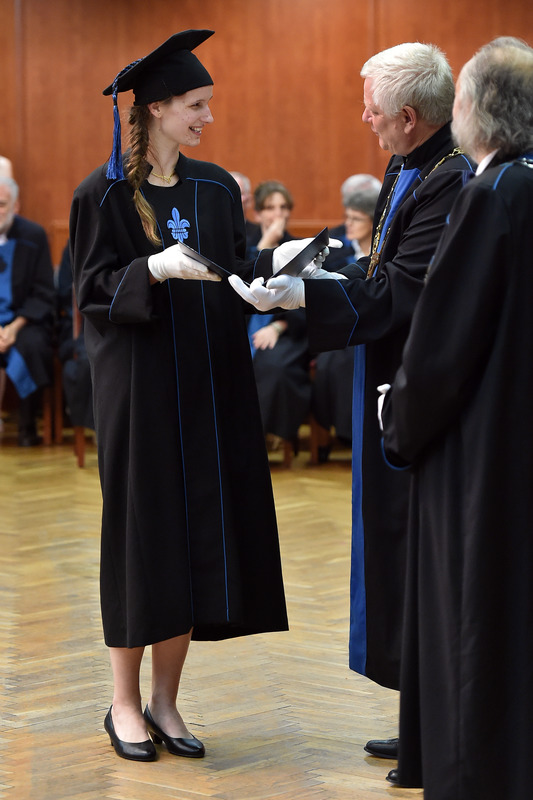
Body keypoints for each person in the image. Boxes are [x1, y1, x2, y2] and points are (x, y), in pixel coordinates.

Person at [70, 29, 326, 763]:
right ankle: (123, 703)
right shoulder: (102, 194)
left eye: (208, 104)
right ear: (155, 108)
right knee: (141, 539)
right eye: (195, 105)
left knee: (191, 540)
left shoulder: (213, 187)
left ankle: (165, 701)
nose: (207, 117)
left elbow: (233, 269)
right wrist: (150, 271)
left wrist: (270, 276)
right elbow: (89, 291)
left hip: (209, 390)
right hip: (141, 394)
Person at [229, 42, 476, 762]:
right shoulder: (406, 163)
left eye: (371, 109)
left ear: (408, 116)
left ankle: (436, 721)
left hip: (416, 387)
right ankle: (419, 711)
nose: (363, 118)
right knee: (392, 543)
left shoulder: (449, 179)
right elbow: (379, 267)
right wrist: (318, 266)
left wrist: (306, 294)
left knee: (415, 544)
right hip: (385, 371)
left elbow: (403, 292)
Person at [379, 38, 533, 798]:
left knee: (473, 619)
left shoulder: (490, 194)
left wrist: (398, 420)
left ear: (476, 109)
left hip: (479, 451)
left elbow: (442, 347)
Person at [312, 179, 381, 456]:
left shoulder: (384, 255)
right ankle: (341, 432)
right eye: (347, 217)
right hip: (342, 328)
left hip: (374, 328)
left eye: (356, 219)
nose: (348, 224)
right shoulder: (337, 255)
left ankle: (360, 433)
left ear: (372, 222)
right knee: (330, 361)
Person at [0, 176, 55, 446]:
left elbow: (43, 291)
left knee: (33, 346)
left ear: (15, 205)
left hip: (24, 320)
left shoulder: (33, 235)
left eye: (1, 204)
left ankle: (27, 425)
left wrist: (13, 327)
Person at [56, 243, 94, 431]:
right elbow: (66, 293)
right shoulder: (74, 245)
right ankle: (97, 428)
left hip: (121, 319)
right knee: (85, 363)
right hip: (83, 323)